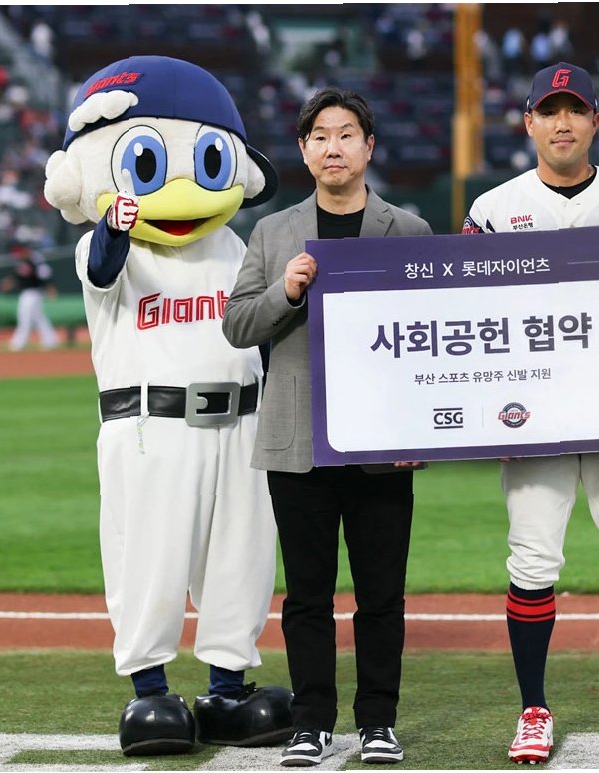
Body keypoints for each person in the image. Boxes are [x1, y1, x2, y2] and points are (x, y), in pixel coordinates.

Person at [42, 55, 291, 756]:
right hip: (151, 424)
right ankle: (150, 691)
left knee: (240, 557)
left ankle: (227, 691)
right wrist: (116, 226)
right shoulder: (104, 245)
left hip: (241, 422)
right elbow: (101, 267)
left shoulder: (234, 244)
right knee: (148, 557)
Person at [461, 62, 599, 764]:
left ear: (595, 120)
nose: (563, 123)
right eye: (549, 110)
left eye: (575, 110)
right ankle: (533, 708)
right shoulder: (494, 207)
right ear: (528, 122)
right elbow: (466, 303)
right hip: (533, 410)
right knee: (532, 558)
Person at [222, 87, 433, 768]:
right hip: (299, 439)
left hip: (381, 441)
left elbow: (433, 338)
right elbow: (236, 325)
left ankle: (378, 722)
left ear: (368, 146)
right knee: (307, 595)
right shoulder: (273, 233)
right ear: (304, 149)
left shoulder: (410, 231)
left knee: (381, 596)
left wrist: (422, 433)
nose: (333, 146)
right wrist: (285, 290)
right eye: (320, 135)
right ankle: (310, 722)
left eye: (346, 134)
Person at [0, 245, 59, 351]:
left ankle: (19, 343)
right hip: (27, 293)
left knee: (24, 316)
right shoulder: (23, 262)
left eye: (20, 252)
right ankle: (50, 340)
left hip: (33, 293)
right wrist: (8, 283)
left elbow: (45, 276)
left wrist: (50, 288)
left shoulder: (36, 261)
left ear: (25, 251)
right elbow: (16, 277)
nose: (18, 255)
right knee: (38, 317)